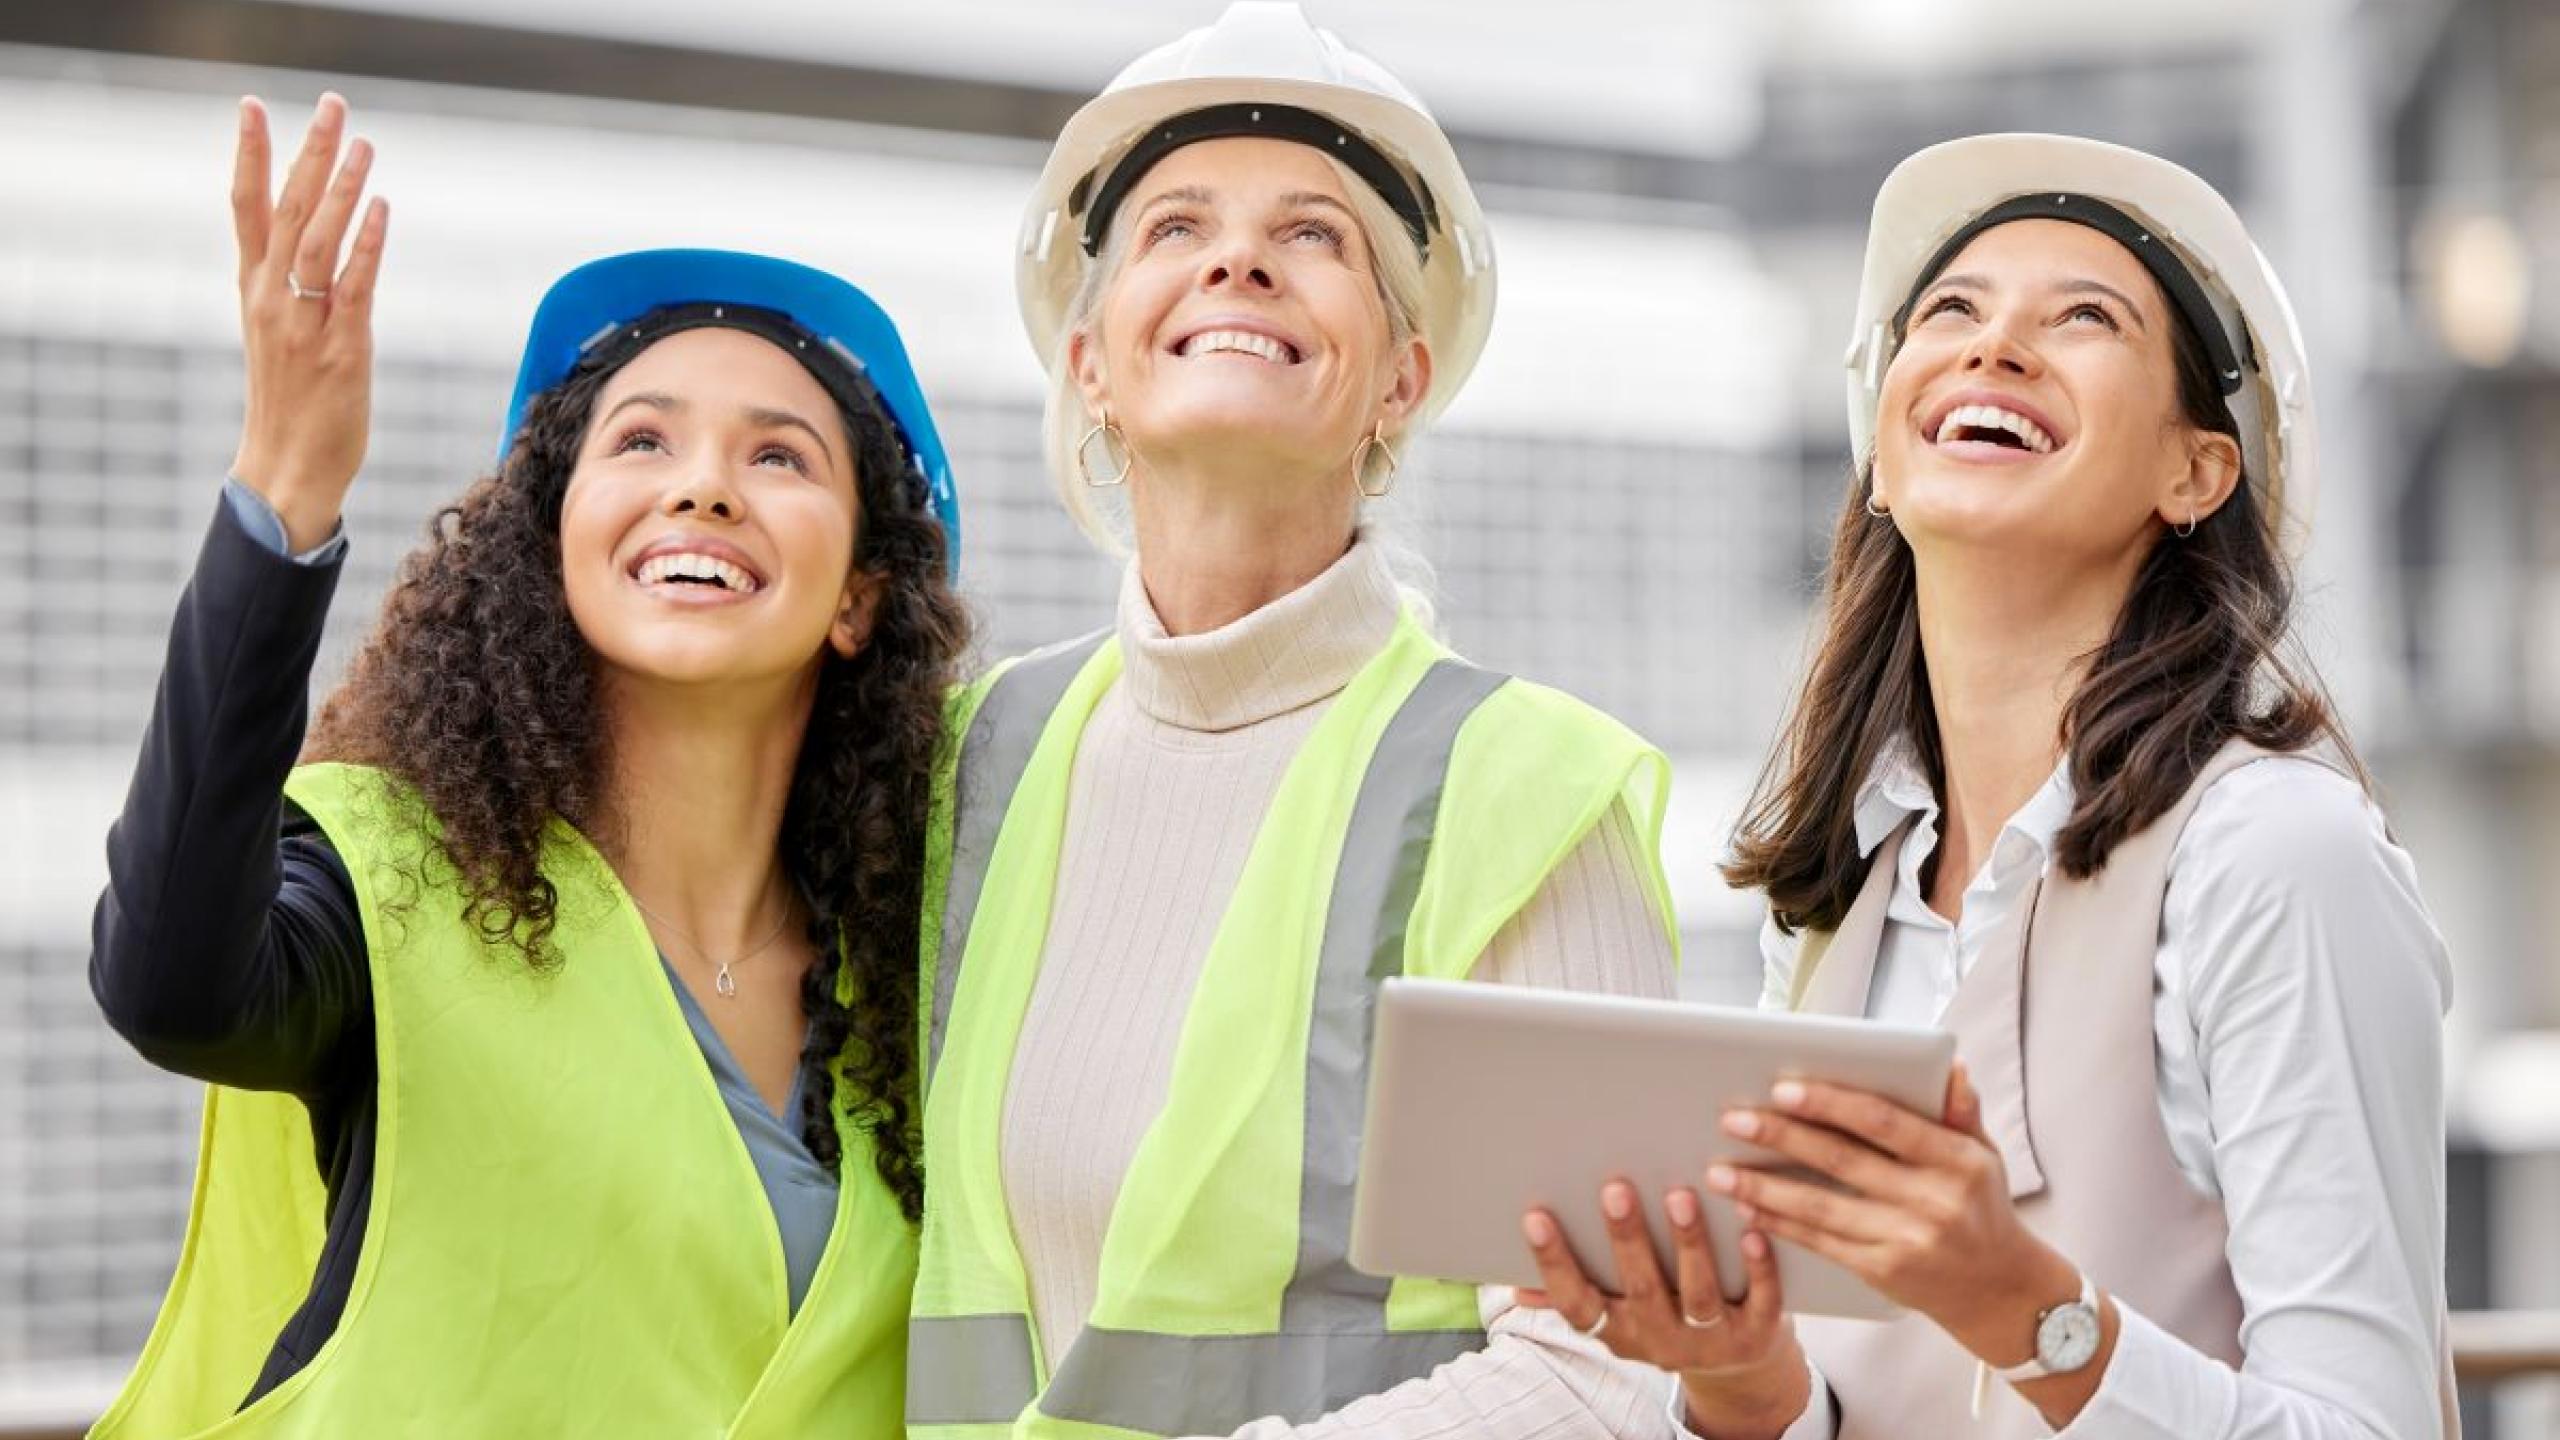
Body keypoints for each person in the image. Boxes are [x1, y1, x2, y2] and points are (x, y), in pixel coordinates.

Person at [1518, 134, 2457, 1440]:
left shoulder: (2276, 853)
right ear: (1884, 464)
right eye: (1951, 312)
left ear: (2198, 473)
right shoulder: (1834, 895)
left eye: (2083, 318)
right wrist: (1740, 1387)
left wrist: (2029, 1315)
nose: (1994, 347)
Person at [86, 93, 968, 1436]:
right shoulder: (394, 878)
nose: (705, 485)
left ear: (858, 598)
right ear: (553, 550)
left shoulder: (916, 976)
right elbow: (172, 986)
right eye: (643, 440)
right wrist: (284, 485)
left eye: (779, 455)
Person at [903, 5, 1709, 1436]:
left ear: (1399, 383)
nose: (1238, 257)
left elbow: (1614, 1371)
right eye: (1175, 227)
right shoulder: (969, 763)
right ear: (1090, 365)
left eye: (1316, 234)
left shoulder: (1527, 791)